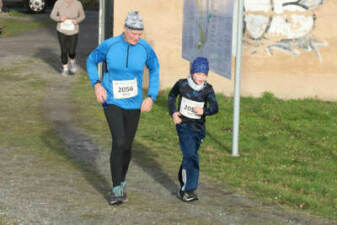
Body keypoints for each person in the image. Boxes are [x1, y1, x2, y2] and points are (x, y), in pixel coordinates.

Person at [86, 11, 160, 205]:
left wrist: (151, 95)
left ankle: (122, 179)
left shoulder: (145, 48)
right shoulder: (110, 45)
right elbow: (91, 60)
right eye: (135, 33)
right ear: (126, 30)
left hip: (134, 103)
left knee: (127, 145)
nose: (138, 37)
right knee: (118, 141)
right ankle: (116, 188)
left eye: (140, 34)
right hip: (112, 100)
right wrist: (97, 84)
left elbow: (155, 68)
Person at [168, 57, 218, 202]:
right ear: (192, 72)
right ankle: (188, 190)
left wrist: (204, 111)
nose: (201, 78)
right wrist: (173, 113)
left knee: (190, 156)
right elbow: (171, 96)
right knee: (191, 156)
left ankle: (184, 176)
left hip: (199, 128)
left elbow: (215, 108)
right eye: (198, 74)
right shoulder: (182, 84)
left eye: (204, 75)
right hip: (183, 126)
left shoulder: (207, 89)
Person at [50, 0, 85, 76]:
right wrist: (59, 18)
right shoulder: (59, 2)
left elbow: (82, 16)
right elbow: (52, 15)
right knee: (64, 50)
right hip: (61, 30)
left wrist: (77, 20)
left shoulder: (77, 3)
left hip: (74, 30)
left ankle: (72, 62)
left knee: (72, 51)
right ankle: (65, 68)